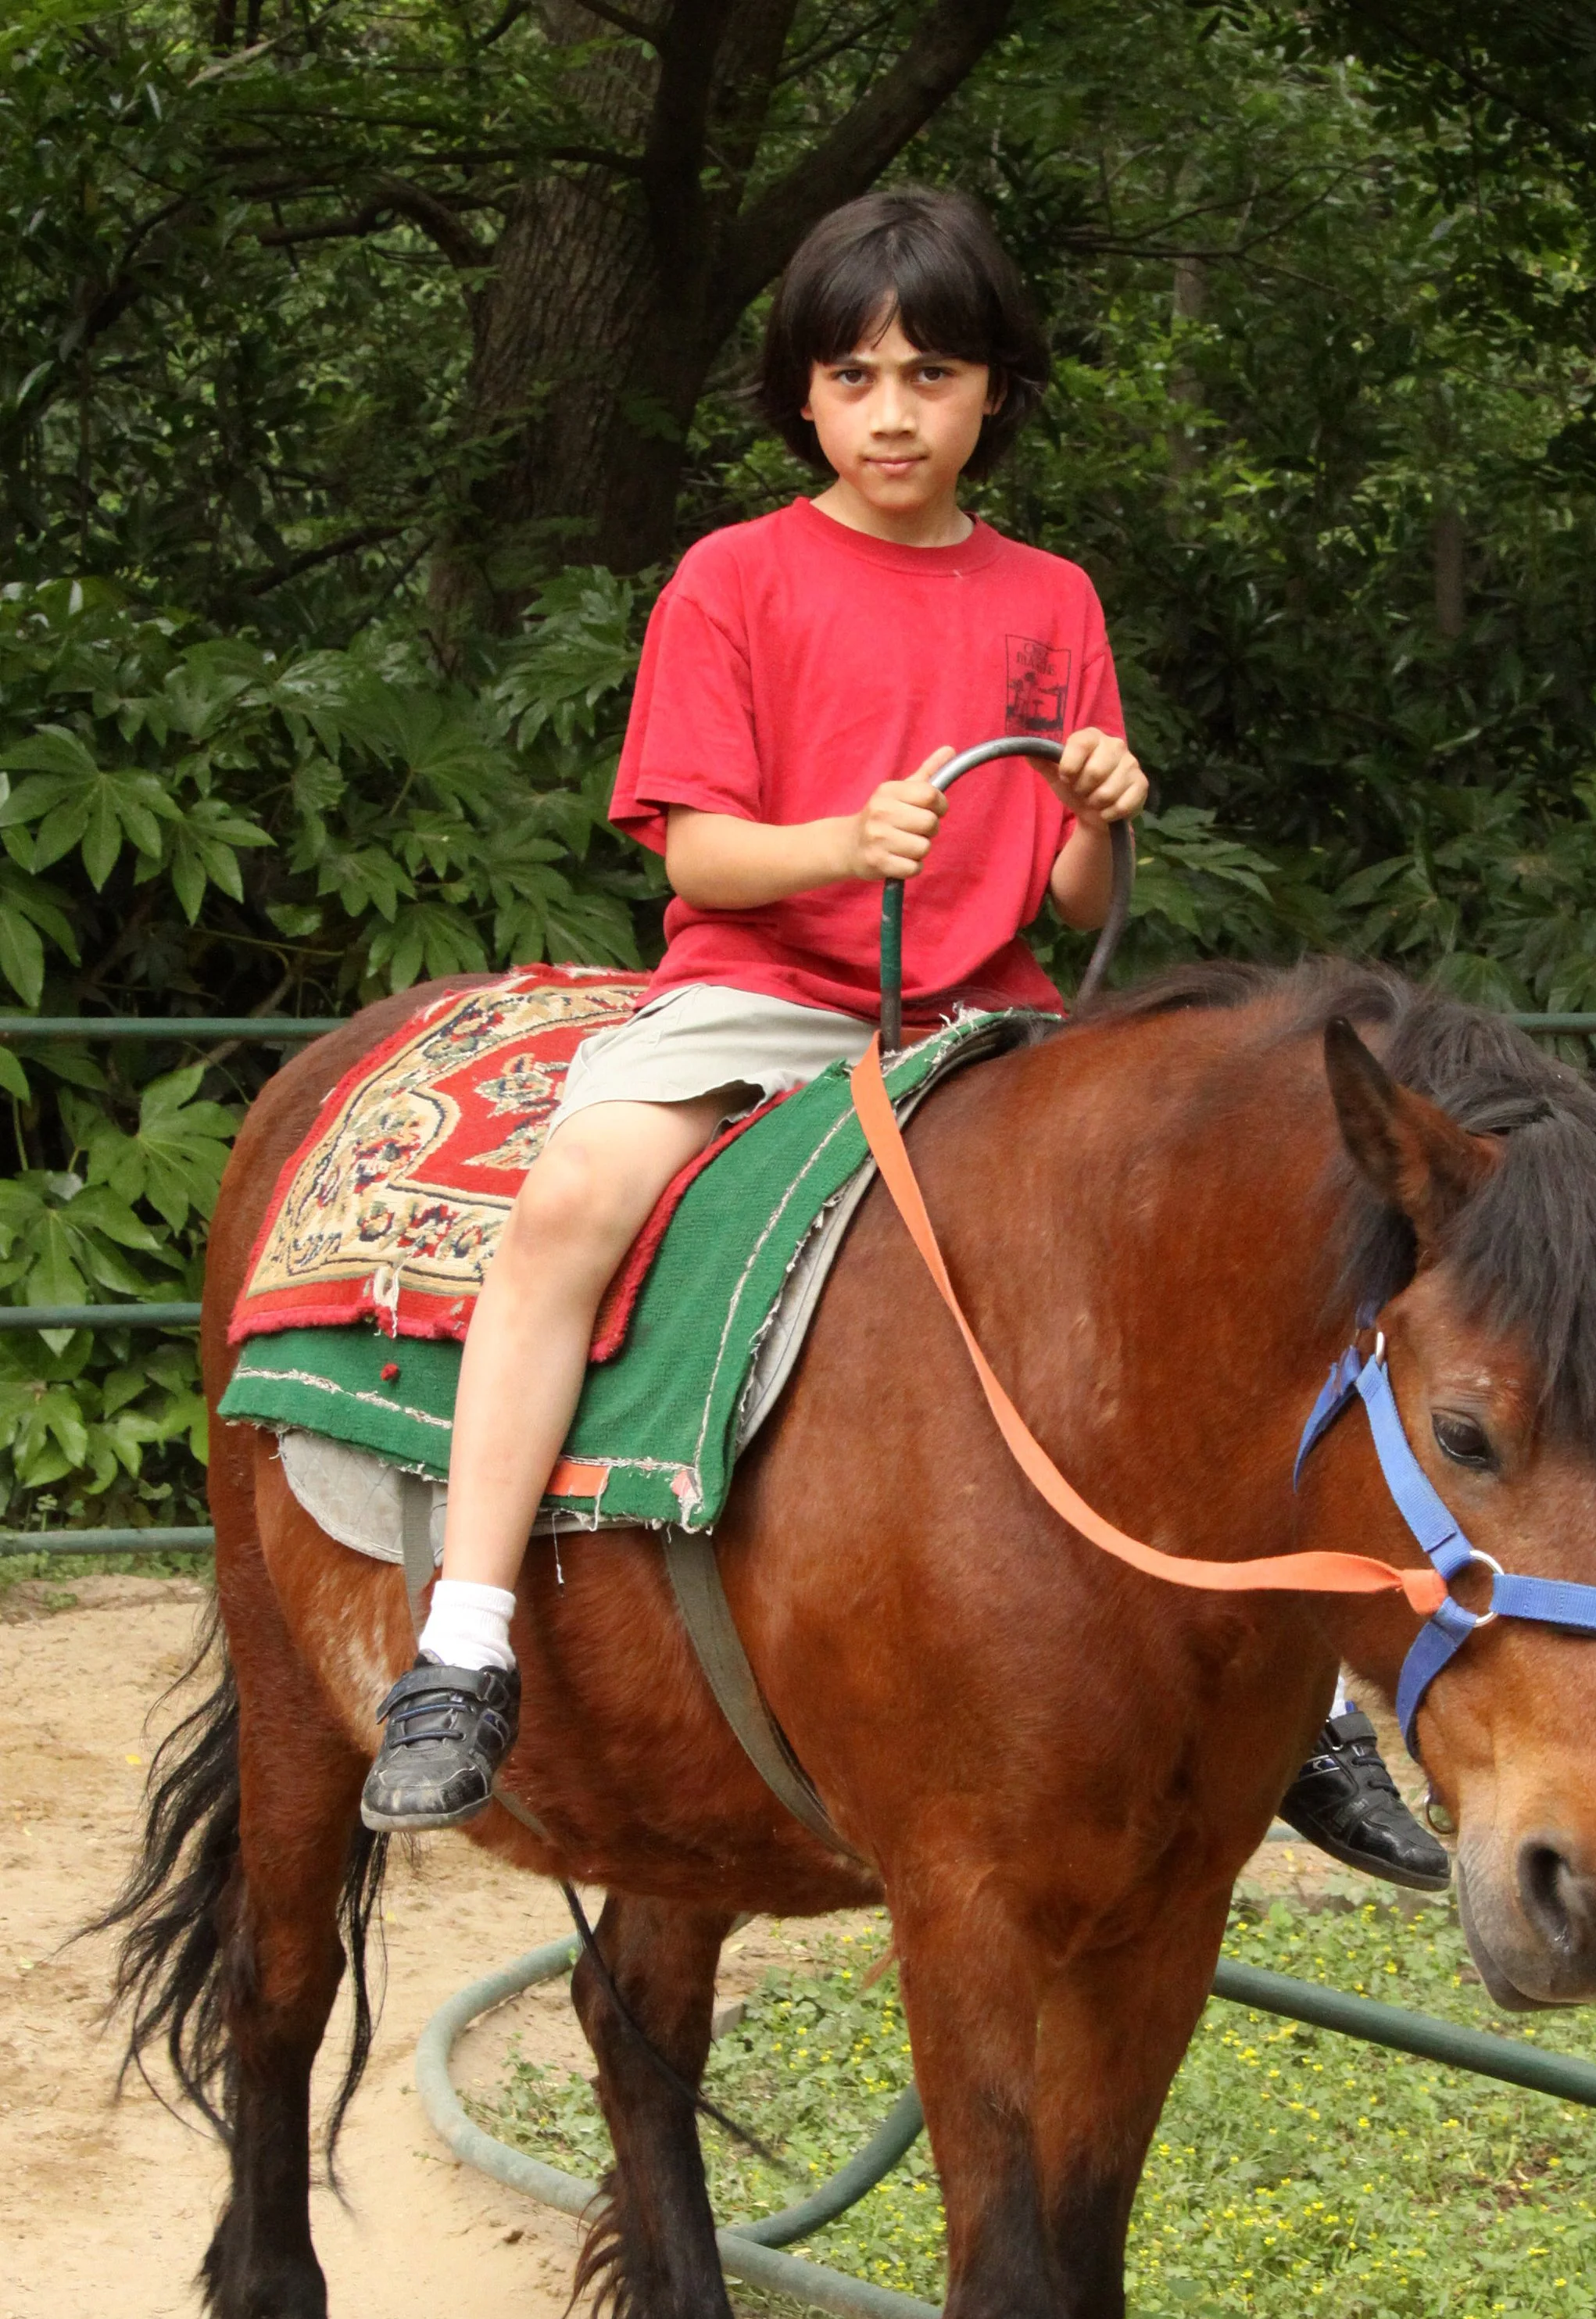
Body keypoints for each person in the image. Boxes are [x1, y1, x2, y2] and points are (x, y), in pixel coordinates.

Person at [360, 185, 1444, 1894]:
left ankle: (1298, 1697)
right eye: (854, 375)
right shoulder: (735, 580)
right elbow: (700, 851)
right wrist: (837, 851)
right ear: (802, 392)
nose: (891, 412)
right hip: (765, 999)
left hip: (992, 1021)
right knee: (572, 1196)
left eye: (930, 375)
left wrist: (1101, 805)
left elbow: (1082, 910)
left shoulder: (1051, 599)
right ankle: (469, 1641)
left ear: (990, 394)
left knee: (1221, 1247)